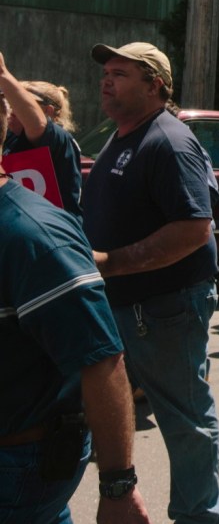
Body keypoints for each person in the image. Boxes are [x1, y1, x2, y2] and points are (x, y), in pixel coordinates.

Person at [81, 41, 219, 522]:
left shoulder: (169, 140)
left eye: (121, 73)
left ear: (155, 86)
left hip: (163, 307)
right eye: (106, 71)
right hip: (126, 305)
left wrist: (112, 262)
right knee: (103, 405)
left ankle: (198, 516)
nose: (107, 79)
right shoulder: (124, 134)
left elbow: (193, 228)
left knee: (185, 419)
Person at [0, 95, 151, 524]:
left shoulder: (32, 236)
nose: (108, 85)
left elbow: (101, 360)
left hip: (16, 468)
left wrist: (118, 487)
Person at [0, 52, 83, 220]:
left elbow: (38, 125)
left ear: (48, 111)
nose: (13, 108)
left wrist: (2, 73)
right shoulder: (10, 139)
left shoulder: (60, 140)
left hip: (50, 233)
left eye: (22, 101)